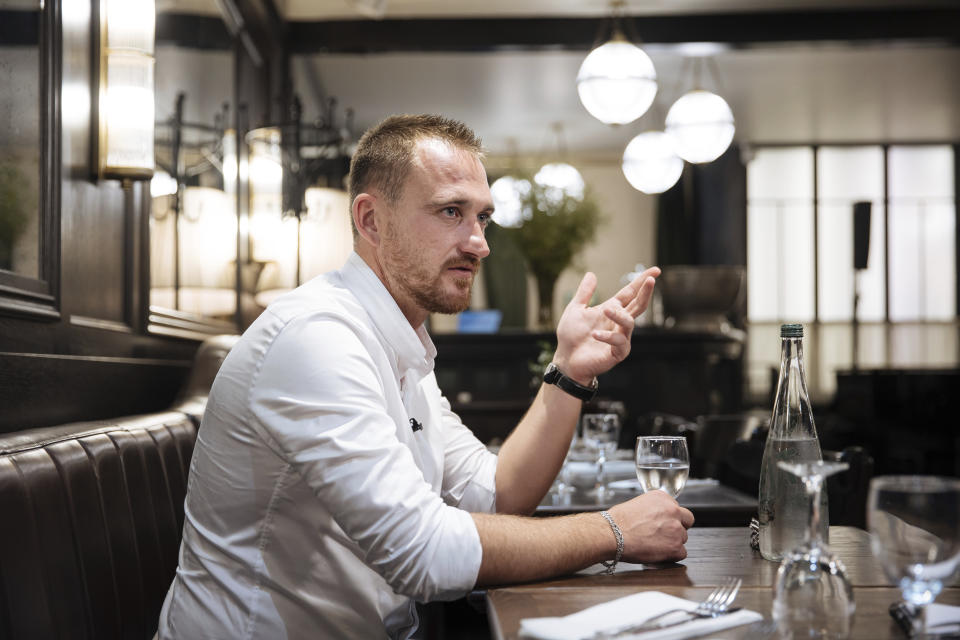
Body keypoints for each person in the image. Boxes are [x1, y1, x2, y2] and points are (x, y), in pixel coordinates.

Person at [157, 114, 693, 639]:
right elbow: (424, 554)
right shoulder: (316, 338)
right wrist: (615, 531)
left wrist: (570, 372)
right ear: (371, 221)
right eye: (450, 212)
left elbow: (498, 493)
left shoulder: (397, 342)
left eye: (482, 217)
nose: (479, 242)